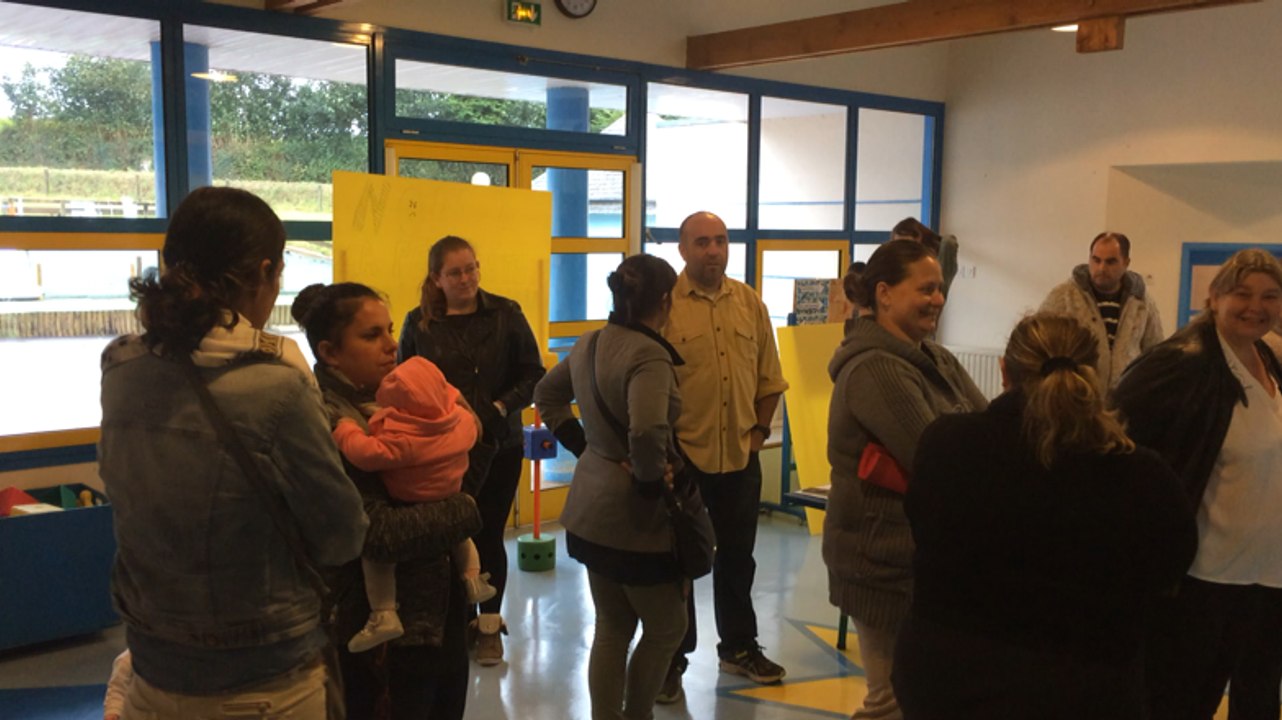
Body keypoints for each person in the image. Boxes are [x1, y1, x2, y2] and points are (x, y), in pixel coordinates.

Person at [99, 186, 368, 718]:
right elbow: (343, 535)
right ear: (263, 272)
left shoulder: (121, 369)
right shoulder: (277, 386)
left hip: (153, 663)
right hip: (264, 677)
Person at [892, 313, 1197, 719]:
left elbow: (923, 525)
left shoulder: (946, 444)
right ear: (1096, 378)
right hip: (1084, 684)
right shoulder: (1141, 473)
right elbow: (1171, 565)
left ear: (1004, 371)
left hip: (945, 676)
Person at [293, 282, 484, 720]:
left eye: (390, 330)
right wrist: (465, 511)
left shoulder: (407, 400)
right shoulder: (330, 420)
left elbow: (466, 467)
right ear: (330, 352)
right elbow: (379, 533)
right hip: (380, 631)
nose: (391, 344)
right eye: (371, 334)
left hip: (441, 607)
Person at [1113, 248, 1282, 720]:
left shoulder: (1266, 355)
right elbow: (1116, 436)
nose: (1257, 306)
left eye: (1270, 296)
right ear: (1213, 297)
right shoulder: (1182, 361)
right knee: (1181, 702)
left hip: (1269, 577)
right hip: (1205, 579)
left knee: (1259, 701)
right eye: (1242, 294)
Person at [823, 239, 988, 720]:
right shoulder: (876, 369)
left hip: (919, 560)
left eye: (939, 288)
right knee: (891, 702)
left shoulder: (934, 360)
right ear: (885, 294)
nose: (938, 298)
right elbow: (935, 456)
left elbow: (985, 426)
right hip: (881, 565)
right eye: (926, 288)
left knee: (917, 697)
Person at [534, 253, 688, 720]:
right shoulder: (650, 354)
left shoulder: (590, 343)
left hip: (589, 511)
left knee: (613, 626)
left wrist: (586, 448)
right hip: (635, 521)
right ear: (665, 300)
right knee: (666, 628)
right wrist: (645, 484)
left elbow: (546, 394)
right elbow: (645, 432)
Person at [658, 210, 791, 699]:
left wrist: (757, 433)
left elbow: (769, 376)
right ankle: (673, 659)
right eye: (702, 242)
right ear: (683, 249)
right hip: (684, 460)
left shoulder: (749, 303)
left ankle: (739, 648)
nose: (713, 250)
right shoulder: (664, 307)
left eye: (720, 241)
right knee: (682, 564)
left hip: (739, 456)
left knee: (738, 559)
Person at [398, 235, 546, 666]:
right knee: (449, 537)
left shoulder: (506, 312)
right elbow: (403, 382)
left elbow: (533, 373)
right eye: (456, 272)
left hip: (499, 445)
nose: (467, 279)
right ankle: (455, 622)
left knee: (488, 534)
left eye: (472, 268)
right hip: (442, 451)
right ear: (437, 279)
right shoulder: (419, 324)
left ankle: (489, 626)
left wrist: (499, 408)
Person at [333, 355, 496, 653]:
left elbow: (365, 453)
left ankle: (383, 612)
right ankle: (473, 578)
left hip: (408, 497)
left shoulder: (401, 438)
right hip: (451, 489)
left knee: (377, 560)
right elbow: (469, 422)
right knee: (461, 536)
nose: (391, 347)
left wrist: (345, 428)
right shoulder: (461, 422)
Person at [1039, 231, 1163, 388]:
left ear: (1126, 262)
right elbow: (1039, 343)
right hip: (1076, 394)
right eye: (1096, 260)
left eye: (1111, 262)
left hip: (1125, 397)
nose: (1101, 268)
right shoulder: (1063, 297)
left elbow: (1154, 352)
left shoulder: (1142, 302)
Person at [891, 217, 959, 299]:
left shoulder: (933, 258)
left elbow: (949, 242)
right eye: (899, 245)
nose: (905, 249)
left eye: (908, 244)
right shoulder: (897, 259)